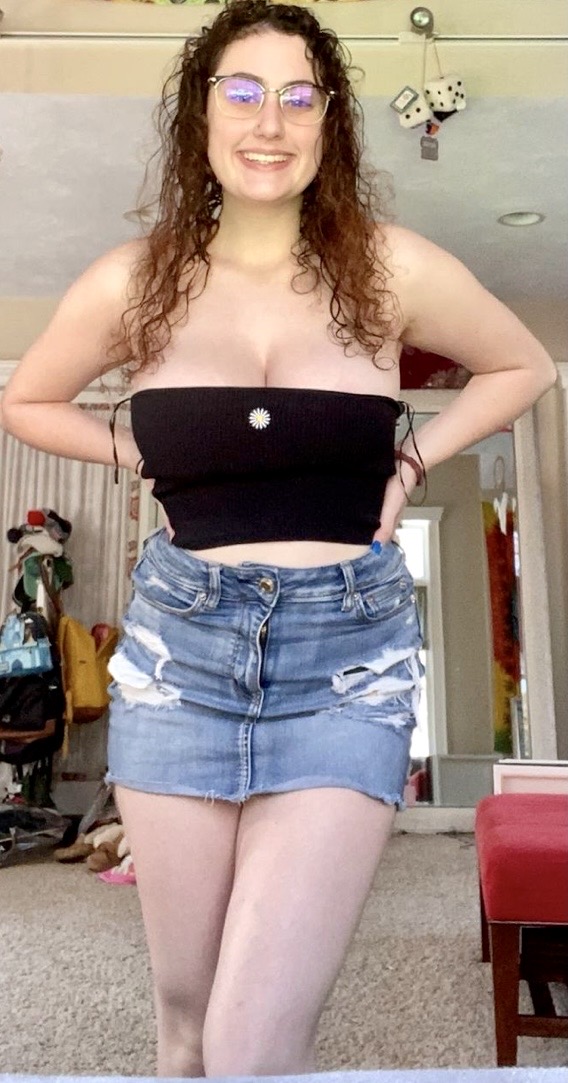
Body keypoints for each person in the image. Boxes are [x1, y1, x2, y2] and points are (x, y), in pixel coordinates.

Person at [0, 1, 556, 1076]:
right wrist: (133, 452)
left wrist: (411, 460)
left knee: (251, 1044)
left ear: (329, 120)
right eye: (243, 92)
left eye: (300, 96)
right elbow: (27, 400)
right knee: (185, 1024)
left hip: (345, 665)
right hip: (181, 656)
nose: (270, 121)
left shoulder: (389, 267)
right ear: (200, 115)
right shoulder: (137, 279)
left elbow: (523, 365)